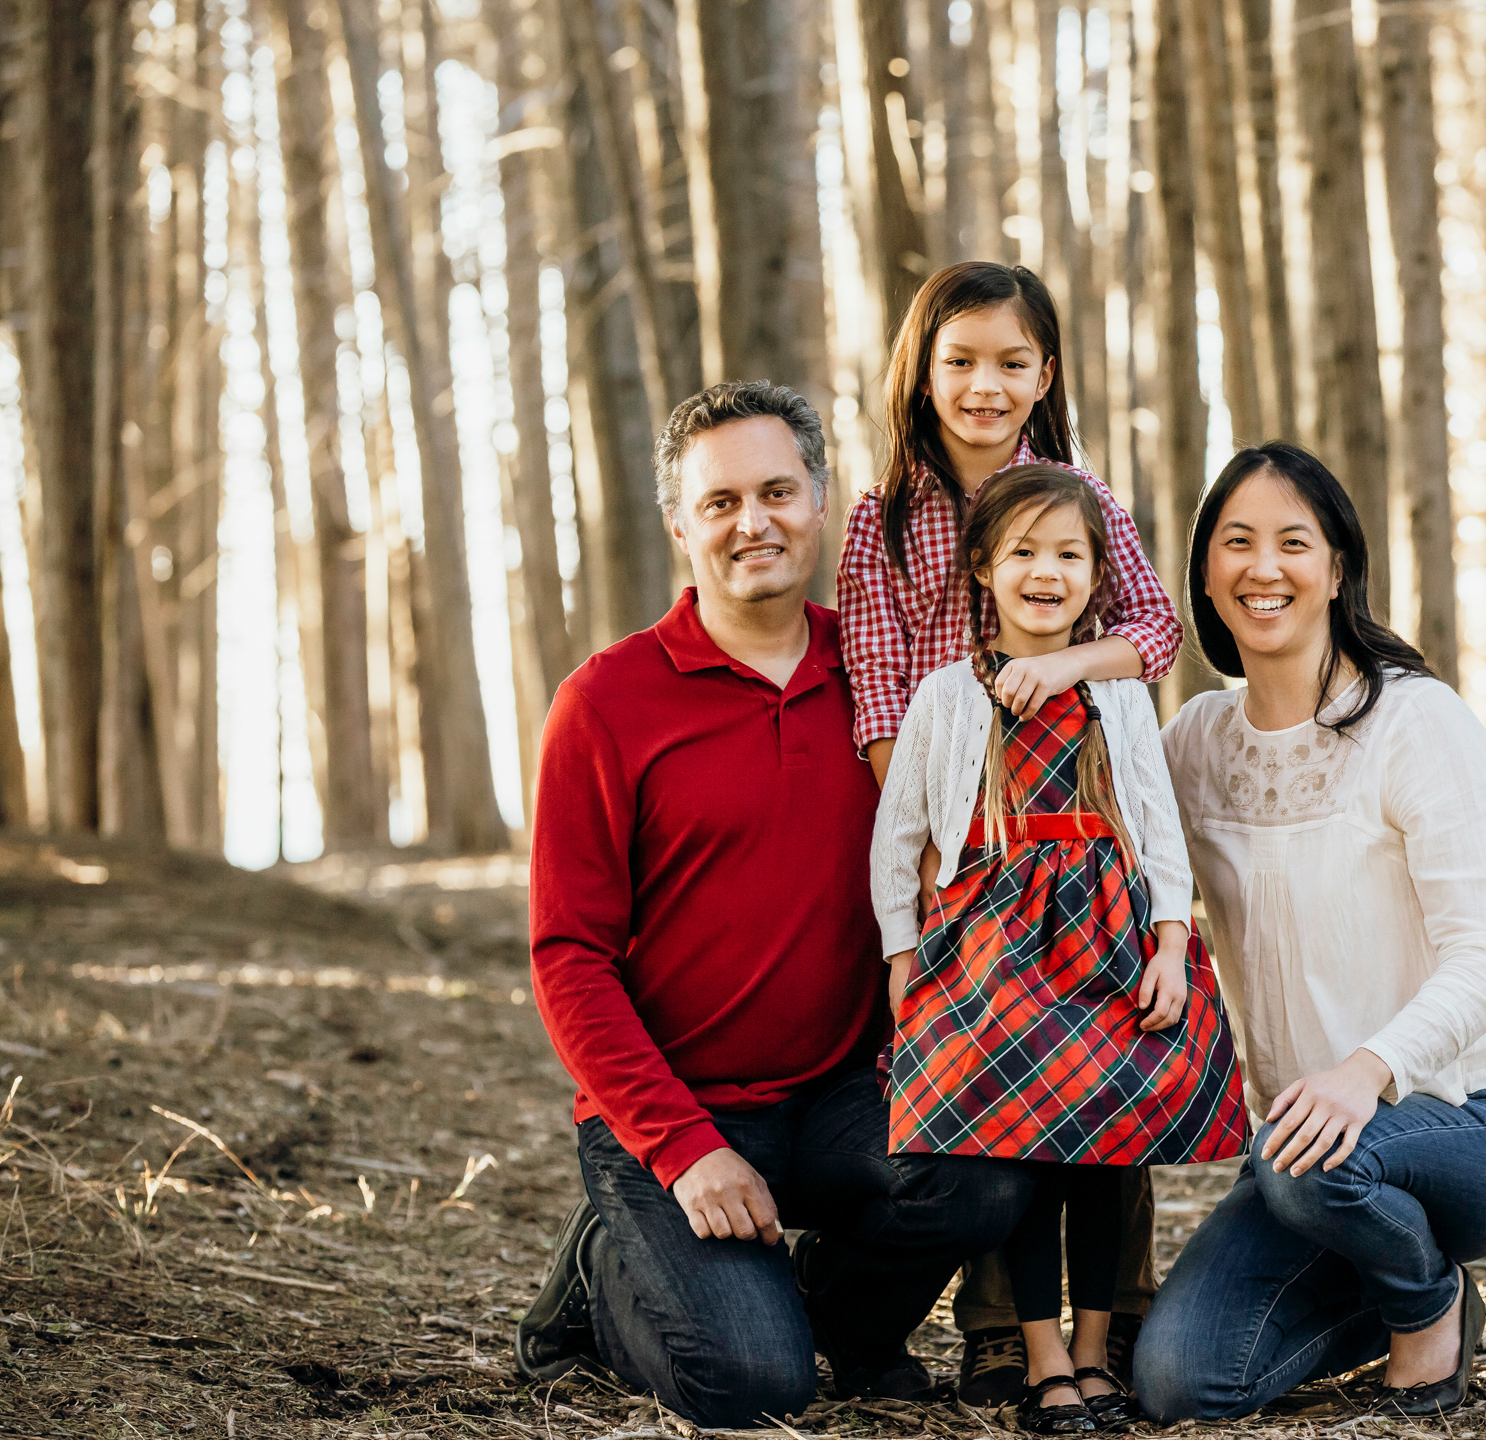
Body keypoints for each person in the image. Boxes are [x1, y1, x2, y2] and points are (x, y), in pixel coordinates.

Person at [514, 382, 1031, 1428]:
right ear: (680, 525)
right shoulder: (607, 703)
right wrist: (683, 1148)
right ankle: (603, 1276)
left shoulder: (891, 684)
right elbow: (569, 957)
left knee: (987, 1177)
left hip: (844, 1095)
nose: (754, 523)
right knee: (752, 1387)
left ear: (822, 499)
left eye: (778, 491)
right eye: (720, 503)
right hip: (677, 1111)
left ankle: (828, 1319)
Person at [1135, 443, 1486, 1421]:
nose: (1264, 567)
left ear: (1336, 569)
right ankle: (1388, 1275)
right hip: (1303, 1154)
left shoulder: (1415, 721)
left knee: (1308, 1157)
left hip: (1468, 1124)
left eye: (1294, 542)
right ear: (1205, 573)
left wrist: (1364, 1070)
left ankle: (1428, 1303)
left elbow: (1485, 961)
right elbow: (1118, 862)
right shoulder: (1194, 742)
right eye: (1237, 543)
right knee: (1182, 1382)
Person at [838, 260, 1181, 1398]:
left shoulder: (1085, 499)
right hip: (963, 838)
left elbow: (1153, 629)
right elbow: (881, 692)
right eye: (961, 362)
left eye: (1012, 363)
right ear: (921, 372)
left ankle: (1113, 1313)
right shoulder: (884, 522)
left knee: (1101, 1058)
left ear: (1047, 374)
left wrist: (1068, 665)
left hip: (1081, 830)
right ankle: (1000, 1323)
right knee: (990, 1076)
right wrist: (943, 821)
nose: (986, 386)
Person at [871, 465, 1247, 1433]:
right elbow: (897, 839)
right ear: (984, 571)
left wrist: (1172, 942)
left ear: (1095, 579)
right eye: (1024, 553)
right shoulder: (947, 698)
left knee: (1105, 1151)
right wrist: (903, 960)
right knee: (1023, 1147)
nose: (1047, 571)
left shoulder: (1118, 697)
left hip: (1106, 946)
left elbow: (1159, 827)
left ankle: (1093, 1351)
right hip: (990, 953)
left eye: (1069, 555)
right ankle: (1042, 1358)